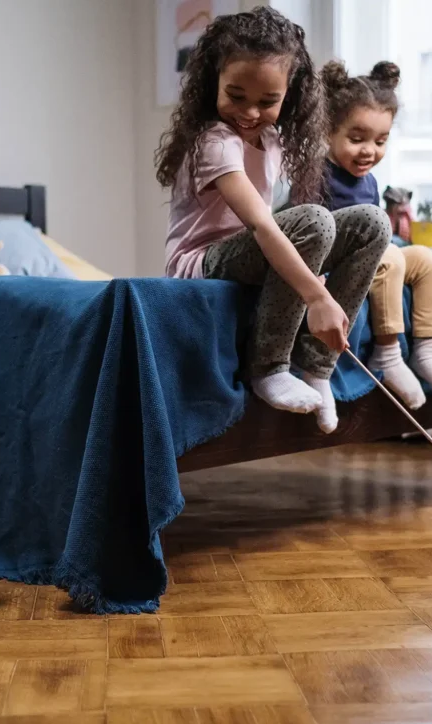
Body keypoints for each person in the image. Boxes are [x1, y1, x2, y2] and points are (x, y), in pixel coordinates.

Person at [157, 6, 390, 433]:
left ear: (290, 94)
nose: (249, 112)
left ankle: (317, 367)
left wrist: (309, 269)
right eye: (236, 95)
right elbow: (266, 225)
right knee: (313, 222)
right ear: (214, 84)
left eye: (268, 101)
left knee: (371, 222)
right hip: (202, 262)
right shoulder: (215, 141)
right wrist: (315, 295)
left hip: (249, 251)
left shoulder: (274, 140)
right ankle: (268, 367)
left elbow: (292, 221)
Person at [321, 59, 432, 408]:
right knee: (388, 258)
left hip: (374, 254)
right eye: (357, 139)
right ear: (328, 131)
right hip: (343, 263)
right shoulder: (318, 176)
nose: (370, 150)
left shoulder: (369, 181)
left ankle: (426, 353)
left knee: (425, 259)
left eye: (380, 140)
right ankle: (387, 355)